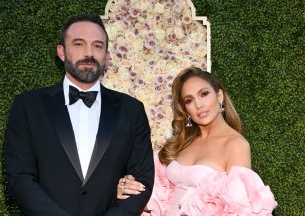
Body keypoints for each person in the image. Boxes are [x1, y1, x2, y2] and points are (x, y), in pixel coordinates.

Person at [4, 14, 154, 216]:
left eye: (98, 46)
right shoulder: (28, 106)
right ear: (61, 52)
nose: (89, 53)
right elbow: (19, 178)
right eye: (78, 44)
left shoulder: (132, 110)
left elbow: (141, 180)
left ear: (107, 56)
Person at [117, 66, 277, 215]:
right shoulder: (182, 142)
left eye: (204, 94)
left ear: (219, 96)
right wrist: (129, 188)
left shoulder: (235, 145)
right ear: (185, 109)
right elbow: (159, 200)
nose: (198, 104)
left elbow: (241, 210)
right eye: (189, 100)